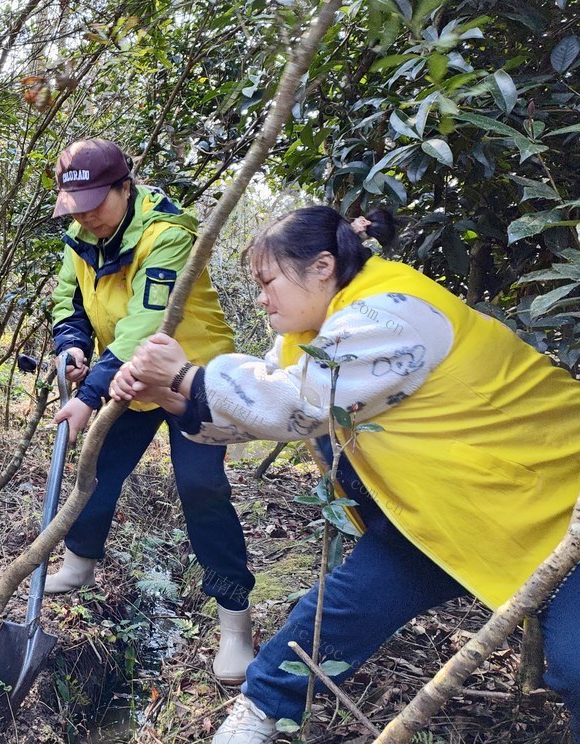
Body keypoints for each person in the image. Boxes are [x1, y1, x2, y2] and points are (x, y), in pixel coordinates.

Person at [111, 206, 580, 743]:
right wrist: (172, 396)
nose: (262, 298)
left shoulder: (391, 313)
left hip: (556, 495)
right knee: (337, 612)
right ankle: (255, 717)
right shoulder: (319, 331)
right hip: (454, 510)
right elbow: (268, 407)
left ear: (322, 267)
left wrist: (186, 374)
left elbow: (297, 399)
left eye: (267, 282)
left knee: (576, 663)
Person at [45, 138, 257, 684]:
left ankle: (236, 623)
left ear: (124, 187)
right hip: (129, 377)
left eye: (97, 202)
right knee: (97, 469)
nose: (87, 216)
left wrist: (90, 394)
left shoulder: (167, 236)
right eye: (78, 205)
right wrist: (70, 346)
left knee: (200, 488)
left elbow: (148, 324)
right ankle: (79, 564)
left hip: (191, 377)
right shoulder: (79, 236)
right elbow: (68, 300)